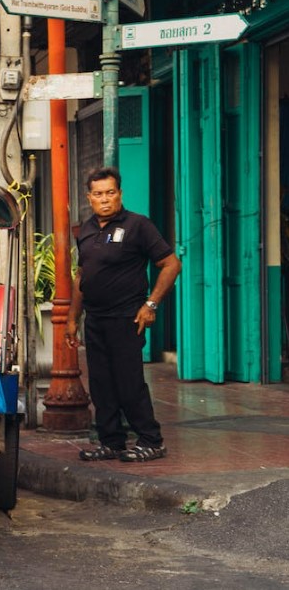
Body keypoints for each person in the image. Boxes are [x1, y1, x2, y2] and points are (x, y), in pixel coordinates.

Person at [65, 167, 181, 463]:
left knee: (128, 382)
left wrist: (151, 305)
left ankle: (151, 440)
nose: (105, 199)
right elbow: (82, 276)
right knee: (101, 385)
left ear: (120, 194)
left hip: (128, 318)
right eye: (99, 194)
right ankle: (111, 442)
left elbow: (171, 265)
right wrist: (71, 319)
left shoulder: (138, 225)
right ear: (89, 197)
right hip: (96, 318)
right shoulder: (87, 230)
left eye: (111, 193)